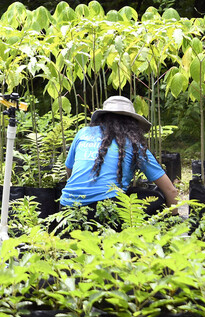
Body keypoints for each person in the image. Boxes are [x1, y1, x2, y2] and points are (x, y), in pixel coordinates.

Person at [59, 95, 178, 226]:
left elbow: (69, 171)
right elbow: (170, 190)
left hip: (67, 208)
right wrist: (175, 219)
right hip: (105, 211)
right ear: (133, 123)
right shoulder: (133, 144)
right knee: (156, 199)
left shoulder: (83, 133)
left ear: (102, 118)